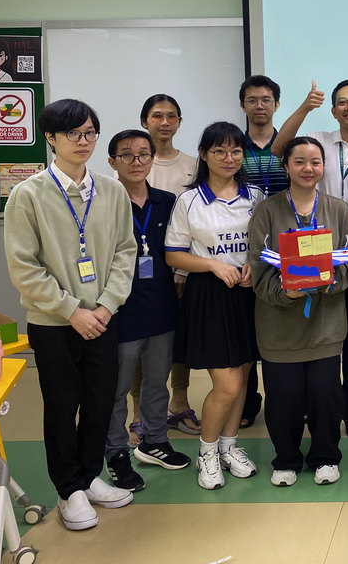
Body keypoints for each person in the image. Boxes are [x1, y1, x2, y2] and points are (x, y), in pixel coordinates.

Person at [4, 99, 136, 530]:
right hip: (54, 323)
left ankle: (90, 476)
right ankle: (68, 490)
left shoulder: (112, 190)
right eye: (73, 133)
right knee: (62, 406)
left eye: (90, 133)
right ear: (50, 138)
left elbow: (126, 251)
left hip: (103, 318)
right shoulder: (28, 194)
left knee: (100, 402)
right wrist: (71, 310)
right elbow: (24, 268)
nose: (83, 141)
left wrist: (106, 305)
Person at [270, 78, 348, 441]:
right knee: (316, 332)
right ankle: (316, 405)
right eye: (343, 102)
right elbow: (278, 147)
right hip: (314, 251)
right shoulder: (317, 141)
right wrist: (306, 107)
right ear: (334, 110)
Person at [249, 136, 348, 487]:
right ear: (286, 166)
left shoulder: (339, 210)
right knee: (285, 397)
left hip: (326, 323)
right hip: (278, 326)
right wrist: (285, 292)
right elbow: (258, 268)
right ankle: (286, 458)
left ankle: (326, 456)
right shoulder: (267, 211)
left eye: (315, 162)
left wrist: (325, 283)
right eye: (299, 161)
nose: (307, 169)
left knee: (326, 395)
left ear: (323, 167)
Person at [165, 121, 264, 490]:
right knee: (227, 384)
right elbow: (173, 255)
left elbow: (267, 243)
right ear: (204, 155)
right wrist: (211, 265)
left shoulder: (256, 196)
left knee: (243, 377)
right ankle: (206, 452)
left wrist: (255, 263)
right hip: (209, 295)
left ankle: (229, 446)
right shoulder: (189, 200)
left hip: (248, 293)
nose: (228, 158)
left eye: (236, 151)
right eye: (219, 151)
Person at [103, 130, 190, 492]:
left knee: (157, 381)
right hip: (120, 310)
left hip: (162, 306)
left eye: (143, 154)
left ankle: (155, 441)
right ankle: (115, 453)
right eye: (127, 155)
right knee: (116, 388)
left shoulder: (168, 201)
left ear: (153, 159)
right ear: (112, 162)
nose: (136, 162)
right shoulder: (104, 202)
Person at [140, 93, 201, 439]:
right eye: (157, 115)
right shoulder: (133, 163)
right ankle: (139, 410)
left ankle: (179, 401)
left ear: (179, 122)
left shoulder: (193, 165)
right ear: (144, 121)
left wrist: (184, 269)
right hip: (140, 266)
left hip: (181, 265)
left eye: (172, 116)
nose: (164, 122)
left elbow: (197, 220)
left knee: (179, 334)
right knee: (139, 336)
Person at [238, 75, 288, 427]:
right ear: (243, 104)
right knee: (246, 330)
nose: (260, 105)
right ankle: (247, 402)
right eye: (253, 100)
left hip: (286, 242)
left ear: (276, 105)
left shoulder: (288, 144)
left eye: (266, 100)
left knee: (283, 322)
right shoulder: (233, 145)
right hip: (242, 246)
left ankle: (287, 399)